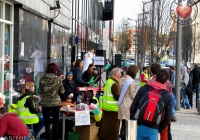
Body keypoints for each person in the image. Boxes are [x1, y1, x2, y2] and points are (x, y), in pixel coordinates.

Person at [130, 69, 172, 140]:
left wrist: (133, 120)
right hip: (154, 127)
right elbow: (168, 117)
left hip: (140, 124)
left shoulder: (143, 89)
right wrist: (160, 128)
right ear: (166, 81)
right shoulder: (167, 96)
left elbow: (133, 106)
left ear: (156, 77)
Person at [38, 63, 65, 140]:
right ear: (55, 70)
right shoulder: (58, 79)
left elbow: (40, 91)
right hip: (56, 102)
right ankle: (55, 138)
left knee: (47, 123)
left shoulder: (42, 78)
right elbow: (62, 91)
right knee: (55, 122)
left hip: (45, 103)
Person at [99, 68, 121, 140]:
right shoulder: (114, 84)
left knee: (105, 126)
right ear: (114, 75)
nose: (120, 75)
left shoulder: (108, 81)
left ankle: (103, 137)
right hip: (113, 109)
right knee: (114, 128)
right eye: (119, 74)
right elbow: (117, 97)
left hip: (106, 107)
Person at [118, 65, 139, 140]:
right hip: (129, 104)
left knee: (123, 124)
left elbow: (119, 91)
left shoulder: (122, 79)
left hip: (122, 103)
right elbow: (133, 95)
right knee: (129, 125)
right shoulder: (131, 82)